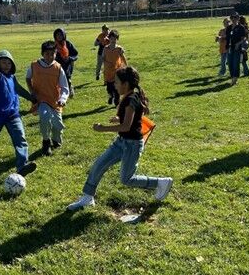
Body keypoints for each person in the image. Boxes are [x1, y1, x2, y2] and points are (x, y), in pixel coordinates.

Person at [67, 66, 173, 211]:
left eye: (116, 82)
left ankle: (161, 183)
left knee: (127, 179)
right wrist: (119, 118)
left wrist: (103, 128)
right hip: (121, 142)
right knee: (99, 165)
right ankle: (87, 197)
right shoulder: (129, 97)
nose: (114, 85)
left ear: (125, 84)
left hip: (132, 145)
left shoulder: (131, 100)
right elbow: (130, 119)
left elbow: (126, 127)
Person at [0, 50, 37, 176]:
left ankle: (22, 166)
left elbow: (19, 90)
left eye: (9, 63)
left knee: (20, 138)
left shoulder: (12, 77)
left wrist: (31, 98)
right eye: (3, 62)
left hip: (12, 114)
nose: (6, 65)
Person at [26, 41, 70, 156]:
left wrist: (63, 99)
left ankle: (56, 139)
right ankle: (46, 141)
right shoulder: (34, 65)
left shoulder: (58, 68)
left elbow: (65, 87)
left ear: (56, 54)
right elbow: (28, 78)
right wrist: (32, 92)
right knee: (45, 117)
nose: (50, 56)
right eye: (47, 54)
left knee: (58, 125)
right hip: (41, 100)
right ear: (42, 53)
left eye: (52, 54)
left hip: (55, 101)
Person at [102, 29, 127, 106]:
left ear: (117, 39)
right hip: (108, 72)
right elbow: (103, 58)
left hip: (117, 71)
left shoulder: (119, 49)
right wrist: (105, 64)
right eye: (112, 38)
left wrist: (126, 66)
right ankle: (111, 96)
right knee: (109, 88)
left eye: (115, 39)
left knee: (117, 88)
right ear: (109, 39)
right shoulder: (106, 48)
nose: (113, 40)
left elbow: (123, 58)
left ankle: (117, 100)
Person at [53, 28, 78, 98]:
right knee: (57, 80)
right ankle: (59, 94)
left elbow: (75, 55)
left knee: (67, 79)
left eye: (61, 35)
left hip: (67, 66)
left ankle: (70, 91)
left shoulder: (68, 44)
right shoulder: (53, 45)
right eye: (57, 35)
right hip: (56, 66)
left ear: (64, 35)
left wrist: (70, 58)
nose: (59, 36)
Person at [226, 12, 248, 85]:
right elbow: (227, 37)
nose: (233, 19)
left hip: (237, 48)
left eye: (235, 17)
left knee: (236, 63)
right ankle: (232, 77)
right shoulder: (228, 28)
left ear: (238, 18)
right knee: (230, 63)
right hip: (229, 48)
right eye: (232, 17)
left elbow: (244, 38)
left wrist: (238, 43)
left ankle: (235, 79)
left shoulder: (241, 27)